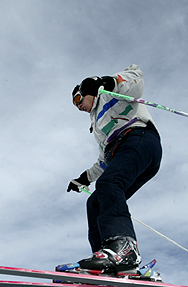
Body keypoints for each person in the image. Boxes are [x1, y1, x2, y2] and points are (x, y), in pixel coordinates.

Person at [67, 64, 163, 273]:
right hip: (121, 151)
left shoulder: (110, 93)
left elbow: (136, 81)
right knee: (95, 201)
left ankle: (124, 249)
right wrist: (84, 178)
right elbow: (104, 160)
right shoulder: (99, 125)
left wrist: (106, 82)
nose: (78, 106)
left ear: (87, 91)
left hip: (139, 138)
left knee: (110, 183)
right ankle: (107, 257)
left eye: (77, 100)